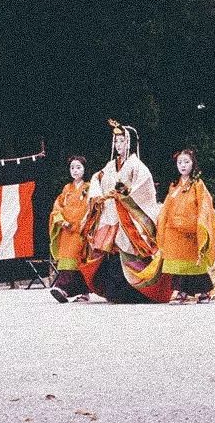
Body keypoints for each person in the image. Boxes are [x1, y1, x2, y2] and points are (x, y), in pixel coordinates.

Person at [80, 119, 172, 303]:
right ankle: (116, 291)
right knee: (112, 251)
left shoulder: (137, 166)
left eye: (122, 141)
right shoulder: (109, 165)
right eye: (116, 141)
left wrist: (124, 194)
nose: (118, 145)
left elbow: (144, 189)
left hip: (129, 216)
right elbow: (97, 180)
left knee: (130, 249)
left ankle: (137, 291)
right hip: (112, 215)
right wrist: (98, 195)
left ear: (129, 143)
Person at [157, 149, 215, 304]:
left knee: (194, 263)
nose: (183, 165)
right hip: (175, 231)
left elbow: (204, 205)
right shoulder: (174, 185)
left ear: (193, 164)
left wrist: (199, 224)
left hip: (191, 229)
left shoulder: (198, 184)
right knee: (177, 262)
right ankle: (181, 291)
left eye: (186, 162)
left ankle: (204, 291)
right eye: (180, 162)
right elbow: (167, 207)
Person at [49, 156, 91, 303]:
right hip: (66, 229)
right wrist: (61, 221)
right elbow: (57, 206)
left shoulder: (89, 187)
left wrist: (82, 224)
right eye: (72, 167)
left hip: (80, 230)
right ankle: (82, 293)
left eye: (78, 167)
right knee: (68, 260)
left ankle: (62, 288)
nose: (75, 170)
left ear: (85, 169)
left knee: (78, 259)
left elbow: (90, 208)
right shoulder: (67, 188)